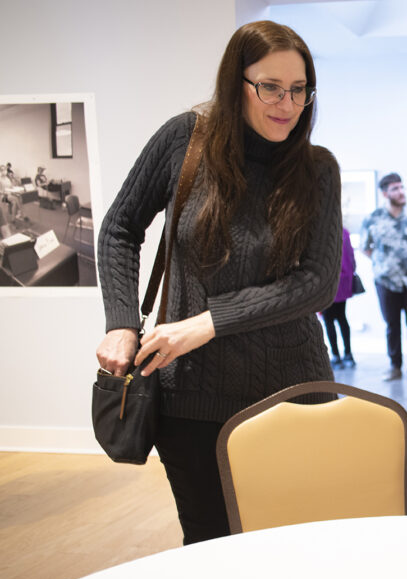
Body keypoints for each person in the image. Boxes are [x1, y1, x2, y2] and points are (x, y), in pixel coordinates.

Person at [95, 21, 341, 545]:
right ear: (237, 83)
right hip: (191, 399)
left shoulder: (317, 169)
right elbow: (119, 228)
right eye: (270, 86)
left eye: (299, 89)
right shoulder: (184, 141)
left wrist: (209, 322)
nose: (286, 103)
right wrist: (121, 323)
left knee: (299, 546)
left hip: (294, 394)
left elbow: (318, 283)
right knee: (210, 546)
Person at [361, 172, 407, 380]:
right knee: (392, 325)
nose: (401, 192)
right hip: (386, 281)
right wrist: (385, 264)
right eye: (395, 188)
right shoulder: (373, 218)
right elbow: (366, 248)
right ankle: (395, 366)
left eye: (402, 187)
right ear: (385, 193)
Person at [321, 227, 356, 368]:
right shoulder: (344, 232)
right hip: (344, 282)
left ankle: (336, 356)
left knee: (329, 320)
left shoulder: (322, 232)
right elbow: (352, 258)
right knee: (342, 317)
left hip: (327, 283)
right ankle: (348, 354)